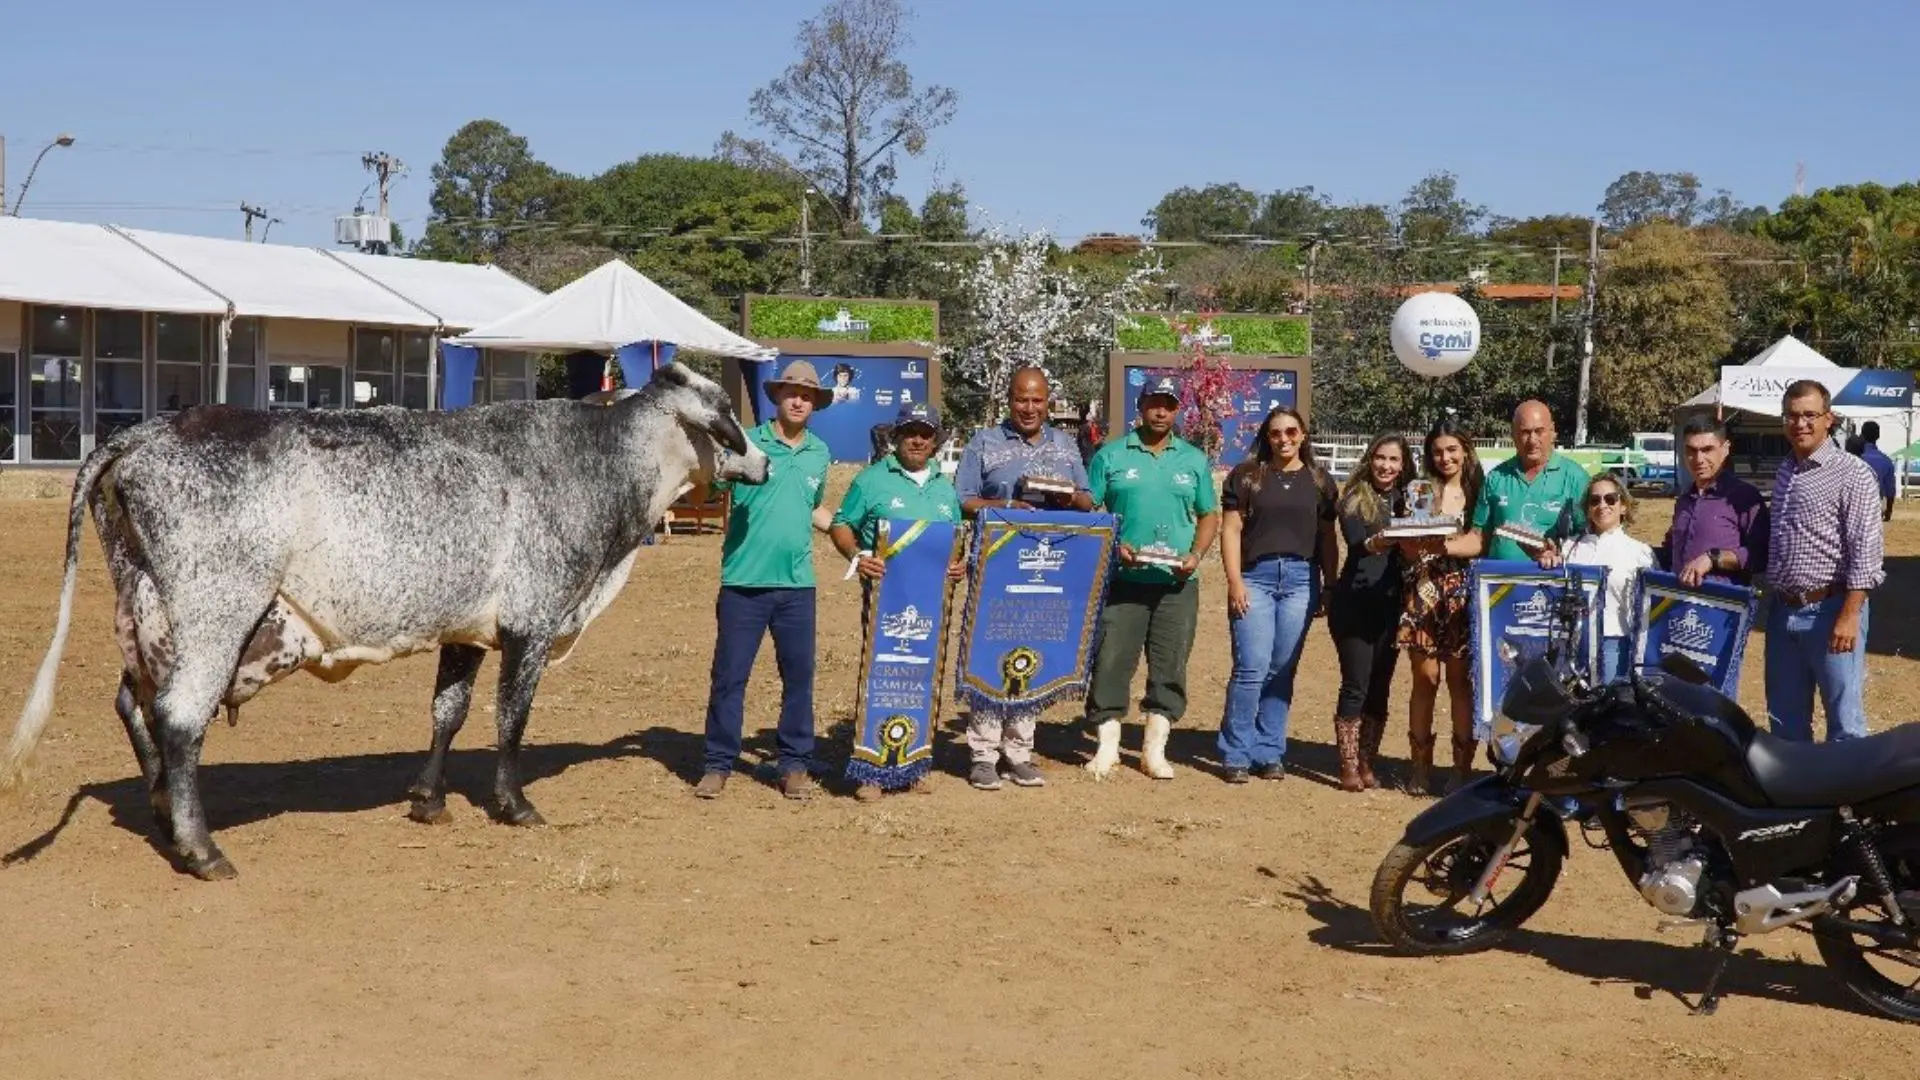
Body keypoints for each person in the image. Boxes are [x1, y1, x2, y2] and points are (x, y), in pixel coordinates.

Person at [696, 361, 833, 801]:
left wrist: (858, 544)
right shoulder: (746, 443)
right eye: (792, 392)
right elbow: (708, 492)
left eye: (807, 395)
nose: (798, 400)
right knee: (729, 678)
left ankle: (793, 764)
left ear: (815, 403)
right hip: (743, 583)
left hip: (797, 588)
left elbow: (811, 508)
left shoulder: (819, 452)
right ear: (776, 397)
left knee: (799, 679)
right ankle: (718, 763)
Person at [953, 367, 1094, 791]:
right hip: (995, 566)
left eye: (1037, 400)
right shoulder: (985, 442)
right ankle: (982, 753)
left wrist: (1066, 496)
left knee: (1032, 651)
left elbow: (1088, 503)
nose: (1029, 408)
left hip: (1047, 567)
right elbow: (962, 500)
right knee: (988, 652)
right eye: (1021, 399)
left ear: (1048, 402)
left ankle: (1019, 751)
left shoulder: (1066, 445)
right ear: (1008, 400)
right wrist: (1006, 505)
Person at [1084, 376, 1221, 781]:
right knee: (1110, 659)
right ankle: (1107, 748)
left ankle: (1153, 750)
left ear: (1178, 411)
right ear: (1140, 407)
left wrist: (1196, 554)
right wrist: (1113, 544)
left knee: (1171, 663)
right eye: (1153, 404)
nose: (1161, 412)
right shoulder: (1109, 456)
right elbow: (1091, 510)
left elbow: (1208, 514)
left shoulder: (1193, 460)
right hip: (1123, 580)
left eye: (1169, 405)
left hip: (1176, 584)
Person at [830, 400, 968, 801]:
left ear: (937, 441)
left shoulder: (946, 488)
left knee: (924, 678)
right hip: (884, 601)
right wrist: (858, 556)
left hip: (932, 606)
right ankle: (872, 770)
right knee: (883, 677)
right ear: (896, 436)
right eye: (910, 431)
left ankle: (912, 763)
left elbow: (952, 541)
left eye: (926, 433)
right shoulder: (871, 480)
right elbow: (841, 524)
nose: (918, 439)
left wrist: (959, 565)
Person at [1213, 406, 1338, 784]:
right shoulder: (1247, 476)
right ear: (1266, 438)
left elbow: (1328, 538)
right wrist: (1234, 581)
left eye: (1291, 432)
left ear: (1303, 435)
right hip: (1256, 579)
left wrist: (1329, 585)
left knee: (1282, 669)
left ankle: (1269, 751)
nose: (1283, 439)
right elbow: (1231, 531)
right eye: (1275, 433)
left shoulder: (1319, 481)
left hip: (1301, 579)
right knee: (1251, 667)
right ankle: (1236, 752)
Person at [1765, 380, 1885, 742]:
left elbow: (1866, 553)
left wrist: (1848, 617)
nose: (1800, 423)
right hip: (1784, 611)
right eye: (1791, 415)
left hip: (1831, 612)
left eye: (1809, 415)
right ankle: (1798, 799)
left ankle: (1848, 800)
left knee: (1844, 724)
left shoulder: (1853, 473)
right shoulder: (1786, 469)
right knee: (1785, 724)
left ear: (1828, 418)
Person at [1396, 416, 1483, 795]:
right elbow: (1407, 543)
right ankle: (1419, 766)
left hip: (1463, 588)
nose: (1445, 457)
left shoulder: (1480, 489)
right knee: (1425, 677)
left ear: (1464, 449)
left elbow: (1481, 540)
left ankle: (1461, 769)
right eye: (1437, 451)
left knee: (1460, 682)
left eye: (1451, 450)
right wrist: (1409, 539)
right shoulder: (1419, 489)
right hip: (1425, 588)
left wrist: (1444, 544)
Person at [1327, 433, 1412, 791]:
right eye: (1381, 457)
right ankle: (1347, 764)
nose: (1386, 466)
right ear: (1370, 458)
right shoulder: (1354, 498)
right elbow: (1356, 543)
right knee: (1356, 684)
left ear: (1403, 465)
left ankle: (1366, 761)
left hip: (1392, 605)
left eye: (1394, 460)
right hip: (1355, 603)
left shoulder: (1410, 500)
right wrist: (1384, 539)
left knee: (1380, 687)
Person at [1561, 474, 1655, 684]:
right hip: (1573, 643)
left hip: (1614, 643)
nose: (1602, 505)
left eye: (1610, 499)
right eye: (1595, 500)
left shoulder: (1641, 553)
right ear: (1587, 509)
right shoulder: (1569, 547)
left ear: (1624, 506)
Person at [1657, 415, 1768, 587]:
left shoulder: (1744, 497)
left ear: (1725, 449)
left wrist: (1713, 558)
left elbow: (1761, 555)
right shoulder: (1684, 500)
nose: (1699, 459)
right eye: (1691, 451)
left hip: (1724, 607)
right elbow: (1670, 551)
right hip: (1678, 605)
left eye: (1707, 450)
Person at [1858, 420, 1896, 522]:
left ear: (1862, 435)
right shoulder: (1886, 461)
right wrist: (1889, 510)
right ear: (1878, 436)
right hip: (1875, 507)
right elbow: (1890, 490)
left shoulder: (1855, 458)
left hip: (1855, 505)